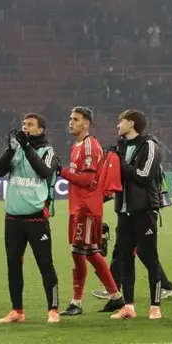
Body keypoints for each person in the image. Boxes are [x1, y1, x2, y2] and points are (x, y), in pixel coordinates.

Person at [0, 113, 62, 324]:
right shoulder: (16, 150)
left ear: (40, 130)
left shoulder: (48, 151)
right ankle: (17, 311)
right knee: (13, 264)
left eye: (30, 124)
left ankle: (53, 309)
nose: (25, 127)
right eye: (23, 124)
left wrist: (27, 148)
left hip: (36, 218)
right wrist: (10, 149)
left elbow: (44, 172)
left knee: (45, 264)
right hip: (13, 218)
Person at [59, 107, 124, 316]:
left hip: (86, 208)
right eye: (70, 118)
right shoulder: (77, 146)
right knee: (91, 253)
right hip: (80, 207)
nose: (71, 122)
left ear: (86, 123)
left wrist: (60, 172)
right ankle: (115, 296)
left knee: (79, 253)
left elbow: (87, 181)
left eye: (76, 119)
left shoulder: (89, 146)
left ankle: (77, 303)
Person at [109, 109, 165, 320]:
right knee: (125, 258)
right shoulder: (120, 146)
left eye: (121, 121)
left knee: (150, 258)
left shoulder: (149, 145)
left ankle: (155, 305)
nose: (118, 126)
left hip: (144, 210)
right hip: (124, 211)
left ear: (131, 124)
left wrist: (119, 163)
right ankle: (129, 306)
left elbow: (143, 175)